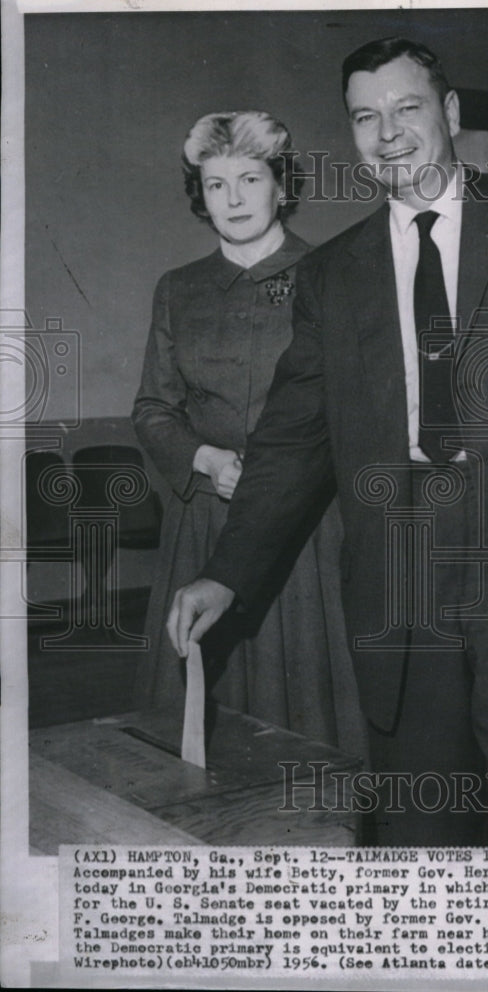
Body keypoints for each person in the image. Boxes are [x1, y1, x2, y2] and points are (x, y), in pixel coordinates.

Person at [167, 41, 488, 846]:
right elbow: (291, 445)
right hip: (400, 583)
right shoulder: (332, 276)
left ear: (446, 114)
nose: (387, 132)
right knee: (417, 826)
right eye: (365, 117)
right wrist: (225, 574)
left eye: (406, 108)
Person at [132, 110, 364, 759]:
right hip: (203, 525)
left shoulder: (335, 277)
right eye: (214, 185)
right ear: (198, 196)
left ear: (282, 186)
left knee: (309, 719)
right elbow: (153, 406)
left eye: (249, 179)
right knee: (198, 726)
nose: (232, 199)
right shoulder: (177, 290)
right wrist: (204, 459)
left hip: (305, 529)